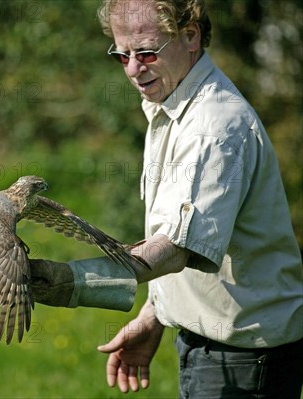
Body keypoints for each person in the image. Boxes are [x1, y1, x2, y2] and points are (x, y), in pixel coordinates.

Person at [29, 0, 303, 397]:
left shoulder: (213, 127)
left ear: (190, 36)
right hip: (218, 349)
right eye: (121, 55)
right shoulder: (173, 107)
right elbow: (195, 235)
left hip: (245, 358)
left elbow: (175, 247)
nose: (133, 69)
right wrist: (156, 313)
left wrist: (71, 281)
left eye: (146, 52)